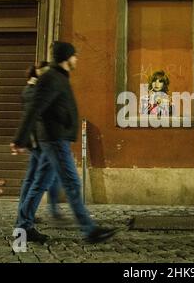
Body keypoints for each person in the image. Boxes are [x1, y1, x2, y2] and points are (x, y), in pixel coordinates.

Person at [10, 41, 116, 243]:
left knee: (40, 183)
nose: (77, 59)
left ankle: (23, 228)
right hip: (55, 139)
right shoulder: (51, 78)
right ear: (67, 58)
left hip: (56, 138)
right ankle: (89, 230)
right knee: (72, 183)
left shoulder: (58, 77)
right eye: (74, 56)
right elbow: (34, 108)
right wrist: (20, 139)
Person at [15, 62, 63, 225]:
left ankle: (25, 214)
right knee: (41, 180)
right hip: (39, 141)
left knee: (32, 178)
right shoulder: (33, 91)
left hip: (36, 141)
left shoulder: (32, 90)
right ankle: (25, 218)